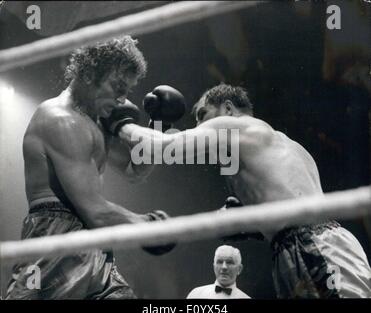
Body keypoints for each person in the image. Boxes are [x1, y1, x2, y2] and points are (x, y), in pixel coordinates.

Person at [107, 83, 371, 298]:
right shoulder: (283, 148)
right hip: (304, 248)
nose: (200, 127)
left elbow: (160, 148)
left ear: (228, 108)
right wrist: (250, 225)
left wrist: (120, 122)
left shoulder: (234, 126)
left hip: (314, 247)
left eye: (203, 115)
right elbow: (293, 207)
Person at [6, 36, 175, 300]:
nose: (122, 98)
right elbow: (95, 211)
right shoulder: (59, 119)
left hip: (95, 241)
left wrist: (159, 122)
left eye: (126, 91)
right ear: (88, 73)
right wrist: (145, 224)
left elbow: (135, 171)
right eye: (117, 86)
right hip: (55, 238)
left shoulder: (97, 121)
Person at [186, 245, 251, 299]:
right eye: (219, 262)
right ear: (214, 267)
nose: (224, 267)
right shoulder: (196, 295)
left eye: (229, 262)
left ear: (239, 269)